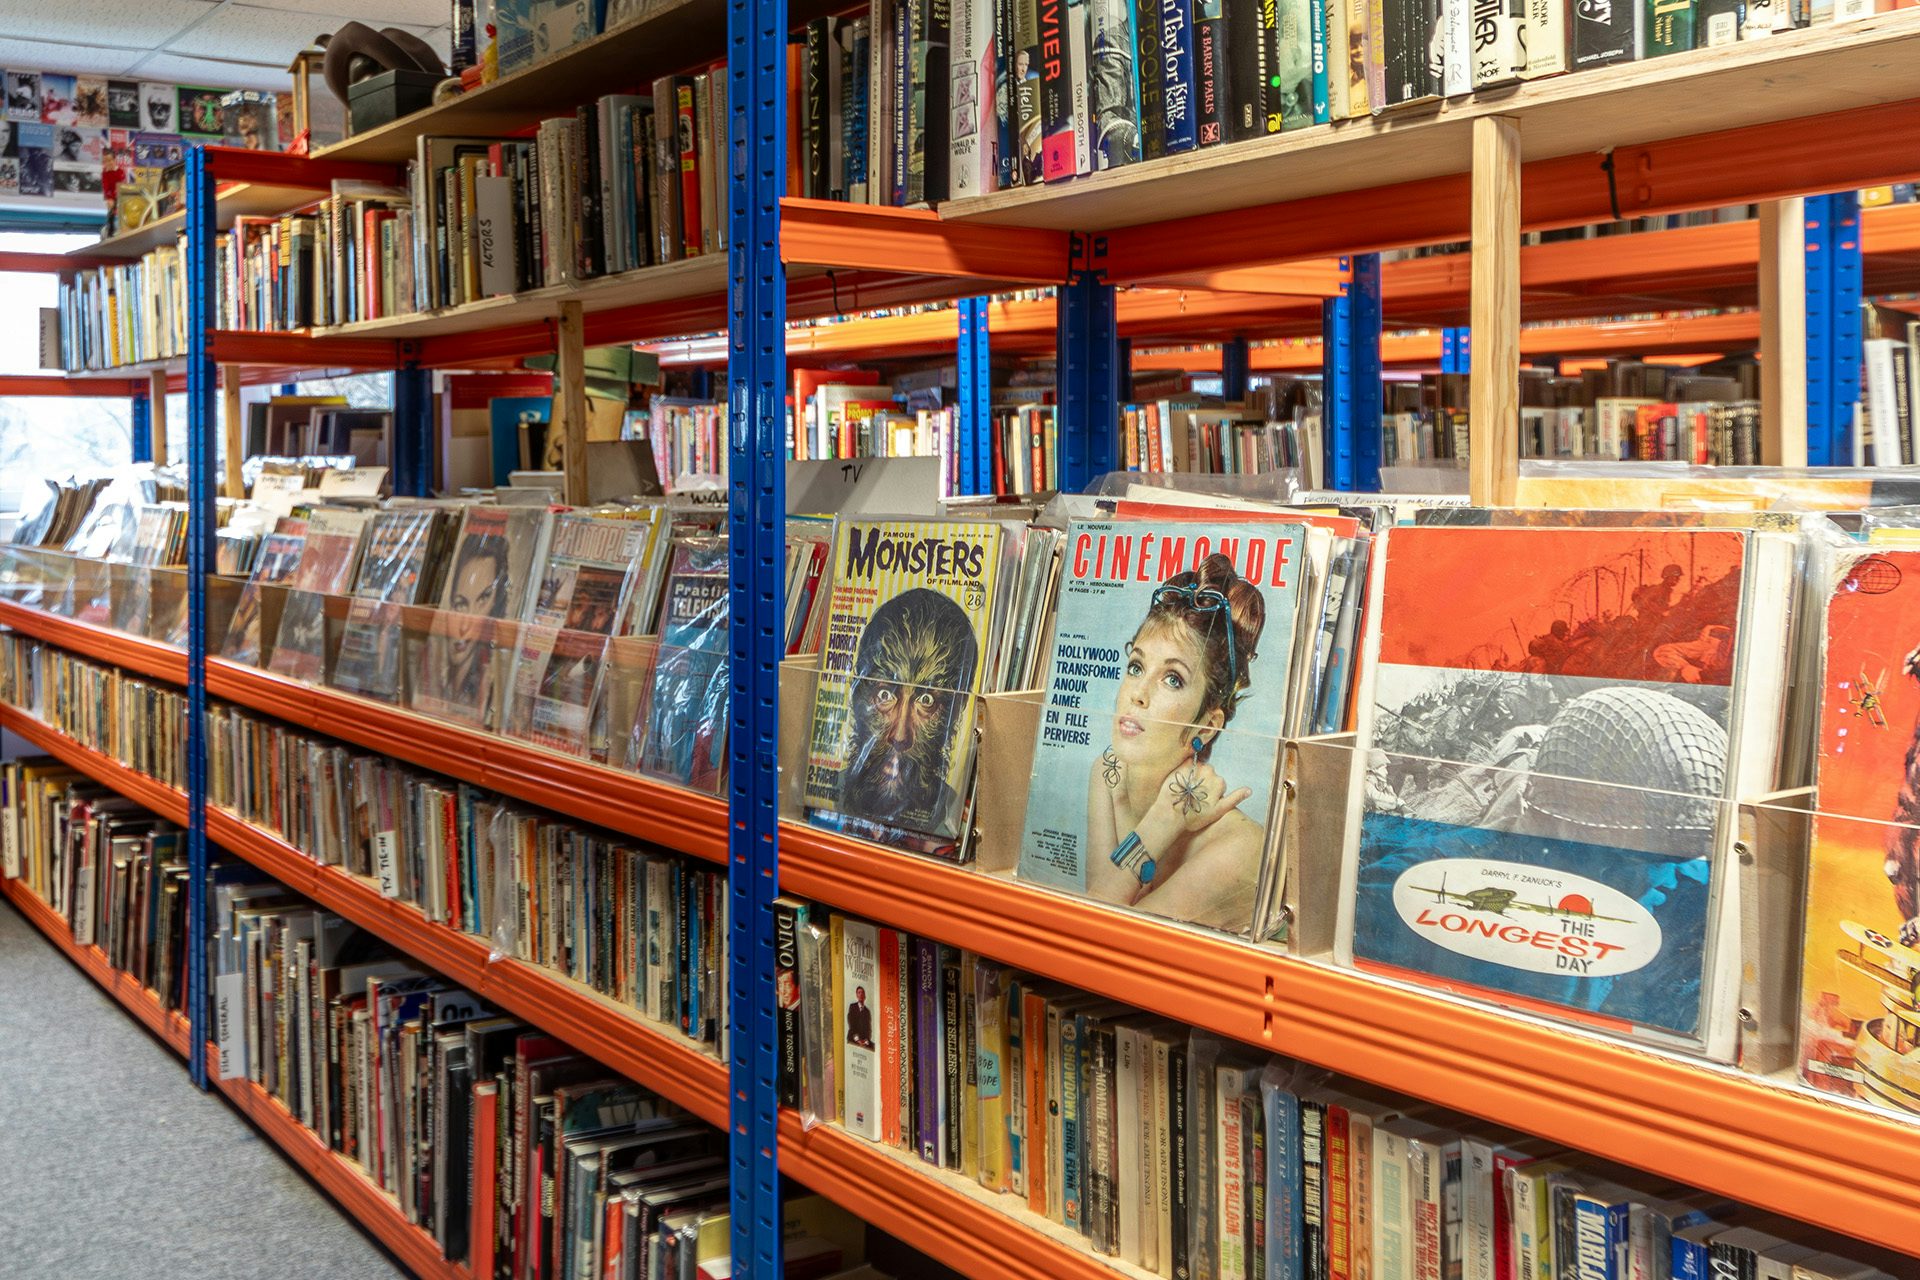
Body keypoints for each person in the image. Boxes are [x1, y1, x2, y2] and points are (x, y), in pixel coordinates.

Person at [1084, 553, 1268, 928]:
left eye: (1173, 679)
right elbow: (1093, 911)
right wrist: (1163, 821)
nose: (1138, 693)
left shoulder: (1241, 849)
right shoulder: (1108, 773)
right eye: (1136, 666)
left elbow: (1103, 939)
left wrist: (1164, 819)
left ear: (1206, 726)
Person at [841, 587, 979, 835]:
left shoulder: (954, 823)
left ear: (955, 712)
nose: (900, 736)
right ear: (859, 694)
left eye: (926, 701)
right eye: (885, 695)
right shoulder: (822, 801)